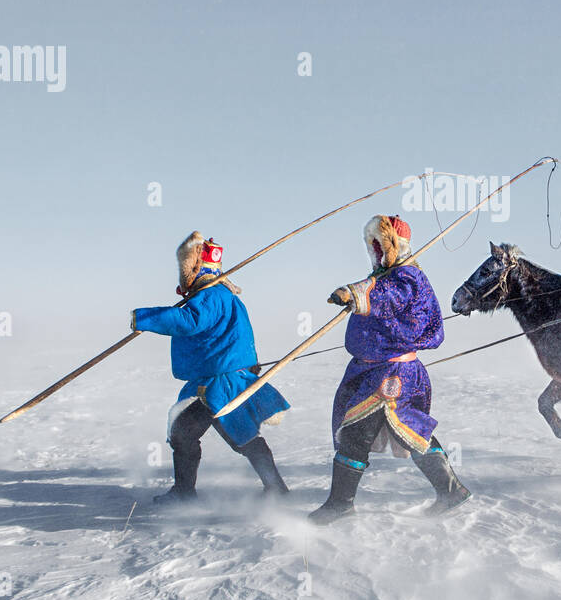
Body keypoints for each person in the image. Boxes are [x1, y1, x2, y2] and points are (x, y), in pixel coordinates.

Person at [309, 215, 470, 524]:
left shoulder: (407, 277)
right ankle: (451, 490)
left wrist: (356, 295)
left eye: (380, 244)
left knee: (359, 431)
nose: (375, 251)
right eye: (371, 245)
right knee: (407, 428)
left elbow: (389, 299)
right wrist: (361, 291)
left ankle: (340, 504)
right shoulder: (385, 277)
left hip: (392, 373)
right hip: (373, 370)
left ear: (393, 246)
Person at [132, 231, 291, 505]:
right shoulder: (220, 295)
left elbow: (189, 320)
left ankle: (188, 493)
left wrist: (144, 318)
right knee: (223, 435)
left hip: (220, 384)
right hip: (215, 380)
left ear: (194, 267)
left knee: (228, 436)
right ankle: (273, 488)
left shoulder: (211, 296)